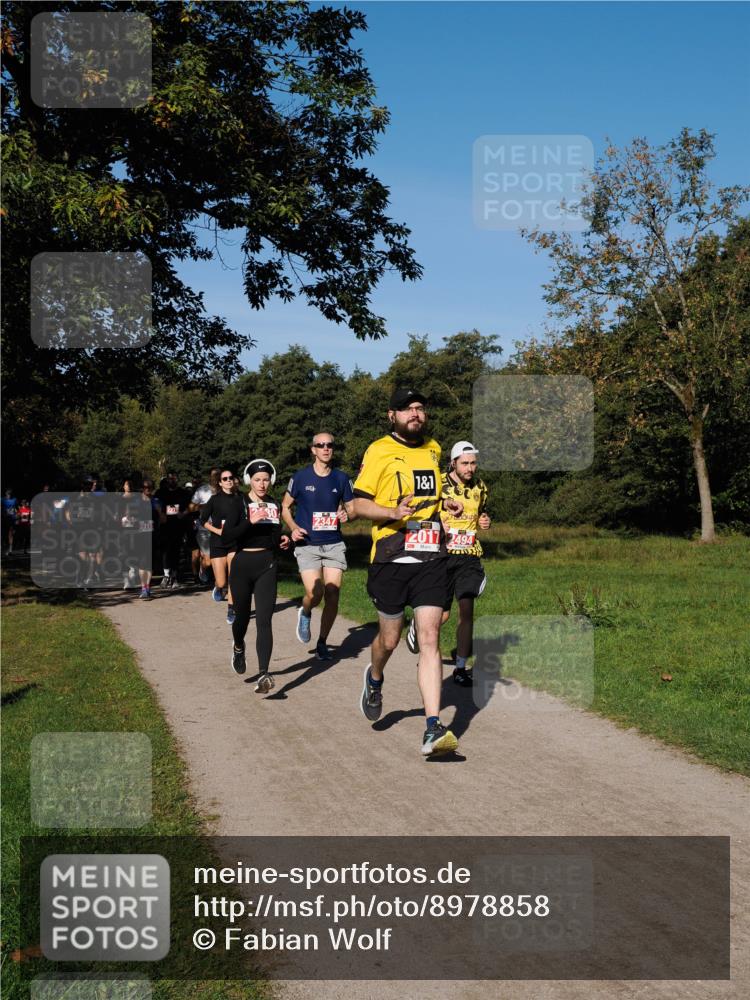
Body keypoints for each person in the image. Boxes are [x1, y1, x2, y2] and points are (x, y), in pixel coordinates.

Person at [352, 387, 464, 757]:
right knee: (389, 639)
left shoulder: (433, 448)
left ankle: (433, 727)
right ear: (392, 415)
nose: (415, 413)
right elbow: (358, 504)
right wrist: (391, 513)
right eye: (407, 409)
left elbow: (429, 493)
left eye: (420, 407)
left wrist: (445, 502)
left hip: (430, 555)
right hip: (390, 557)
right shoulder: (378, 450)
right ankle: (375, 676)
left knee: (430, 637)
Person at [407, 442, 491, 687]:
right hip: (441, 554)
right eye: (465, 463)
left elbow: (481, 514)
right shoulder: (438, 483)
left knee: (467, 610)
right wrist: (437, 525)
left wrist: (485, 521)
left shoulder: (480, 487)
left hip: (469, 555)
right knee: (441, 615)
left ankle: (461, 668)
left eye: (473, 463)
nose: (470, 468)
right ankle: (417, 624)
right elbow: (418, 511)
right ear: (453, 462)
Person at [282, 432, 356, 660]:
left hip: (333, 543)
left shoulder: (342, 479)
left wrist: (347, 514)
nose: (325, 448)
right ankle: (305, 611)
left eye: (329, 445)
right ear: (313, 449)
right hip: (307, 544)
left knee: (332, 593)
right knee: (315, 593)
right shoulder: (300, 478)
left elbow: (353, 509)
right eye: (320, 445)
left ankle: (322, 641)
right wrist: (293, 527)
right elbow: (285, 507)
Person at [220, 459, 291, 692]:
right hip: (242, 565)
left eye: (266, 480)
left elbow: (272, 533)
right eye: (258, 480)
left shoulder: (273, 504)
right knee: (241, 618)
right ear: (250, 481)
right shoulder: (239, 503)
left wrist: (282, 540)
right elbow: (226, 537)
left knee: (264, 620)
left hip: (267, 565)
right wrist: (249, 523)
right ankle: (238, 646)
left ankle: (264, 673)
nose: (262, 484)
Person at [199, 467, 245, 622]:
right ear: (220, 482)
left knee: (234, 578)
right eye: (225, 479)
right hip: (218, 542)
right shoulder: (215, 499)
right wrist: (218, 531)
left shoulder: (241, 498)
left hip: (235, 543)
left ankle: (231, 609)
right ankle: (218, 587)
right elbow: (203, 521)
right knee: (222, 581)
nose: (229, 480)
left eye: (231, 477)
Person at [155, 471, 190, 589]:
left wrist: (183, 513)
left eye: (174, 479)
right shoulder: (161, 492)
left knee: (175, 551)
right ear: (167, 480)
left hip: (178, 526)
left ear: (177, 480)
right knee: (165, 551)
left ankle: (174, 576)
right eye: (170, 479)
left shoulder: (183, 493)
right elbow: (155, 503)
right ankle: (166, 575)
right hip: (165, 526)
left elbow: (191, 505)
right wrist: (160, 514)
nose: (172, 481)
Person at [136, 478, 164, 599]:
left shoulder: (156, 501)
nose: (148, 490)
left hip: (153, 535)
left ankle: (147, 587)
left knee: (149, 564)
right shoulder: (135, 501)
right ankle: (143, 588)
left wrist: (159, 512)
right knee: (142, 563)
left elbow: (163, 519)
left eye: (150, 488)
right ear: (142, 488)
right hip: (140, 536)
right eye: (145, 488)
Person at [190, 469, 218, 587]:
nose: (216, 478)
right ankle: (202, 567)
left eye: (218, 475)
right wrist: (206, 506)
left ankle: (220, 583)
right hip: (204, 529)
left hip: (220, 529)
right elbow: (191, 507)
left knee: (221, 557)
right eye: (214, 475)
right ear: (210, 477)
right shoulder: (202, 491)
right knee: (209, 561)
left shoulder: (225, 490)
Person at [2, 489, 17, 556]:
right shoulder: (2, 499)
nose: (9, 495)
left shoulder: (14, 500)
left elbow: (16, 508)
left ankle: (10, 550)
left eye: (10, 494)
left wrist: (16, 517)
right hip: (4, 519)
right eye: (8, 494)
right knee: (4, 534)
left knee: (10, 534)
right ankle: (5, 549)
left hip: (11, 519)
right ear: (5, 494)